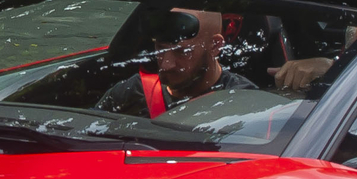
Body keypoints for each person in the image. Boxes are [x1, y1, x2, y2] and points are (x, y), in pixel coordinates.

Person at [95, 9, 255, 119]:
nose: (166, 64)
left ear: (215, 46)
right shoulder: (130, 93)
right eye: (160, 49)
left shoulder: (244, 103)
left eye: (182, 52)